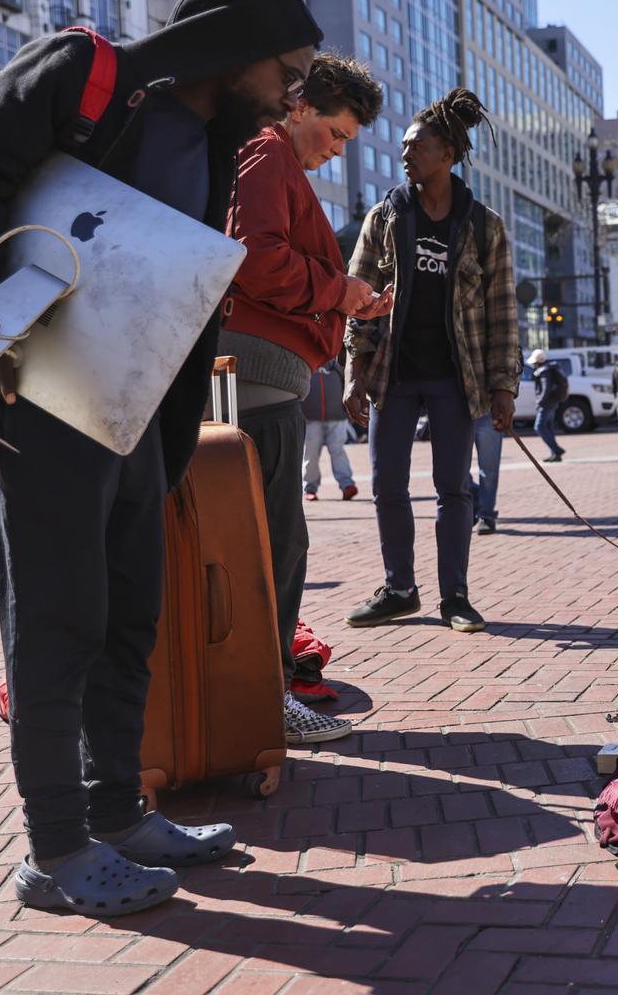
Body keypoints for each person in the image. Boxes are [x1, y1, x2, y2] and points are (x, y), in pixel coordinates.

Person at [0, 0, 322, 916]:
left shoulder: (220, 139)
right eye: (289, 69)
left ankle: (117, 811)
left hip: (131, 403)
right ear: (232, 41)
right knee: (58, 616)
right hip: (41, 390)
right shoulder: (83, 74)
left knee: (131, 609)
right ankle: (54, 848)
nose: (296, 92)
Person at [223, 51, 390, 735]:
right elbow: (255, 256)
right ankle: (266, 700)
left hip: (267, 375)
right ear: (299, 108)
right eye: (337, 134)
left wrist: (347, 301)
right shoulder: (266, 154)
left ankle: (262, 694)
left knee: (272, 542)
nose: (338, 152)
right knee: (273, 545)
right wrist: (339, 291)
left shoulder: (274, 159)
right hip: (257, 378)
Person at [342, 88, 519, 634]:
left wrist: (503, 385)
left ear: (448, 153)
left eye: (416, 146)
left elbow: (501, 311)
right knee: (387, 484)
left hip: (453, 378)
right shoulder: (386, 217)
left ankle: (455, 598)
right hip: (392, 375)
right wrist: (354, 370)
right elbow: (357, 296)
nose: (405, 154)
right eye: (403, 147)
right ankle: (399, 588)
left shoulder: (483, 225)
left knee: (454, 489)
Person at [304, 359, 358, 501]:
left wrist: (349, 410)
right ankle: (310, 488)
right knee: (311, 454)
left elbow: (348, 384)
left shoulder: (337, 364)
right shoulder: (306, 362)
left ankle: (347, 485)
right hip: (311, 418)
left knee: (338, 450)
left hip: (337, 417)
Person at [529, 348, 567, 461]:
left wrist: (540, 401)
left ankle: (556, 450)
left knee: (539, 427)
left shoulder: (545, 371)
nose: (533, 365)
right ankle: (555, 455)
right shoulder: (549, 368)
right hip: (552, 403)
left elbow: (546, 388)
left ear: (538, 361)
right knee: (549, 428)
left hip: (546, 404)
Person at [469, 413, 503, 534]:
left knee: (489, 468)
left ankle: (486, 515)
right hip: (454, 407)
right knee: (455, 469)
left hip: (487, 408)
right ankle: (475, 496)